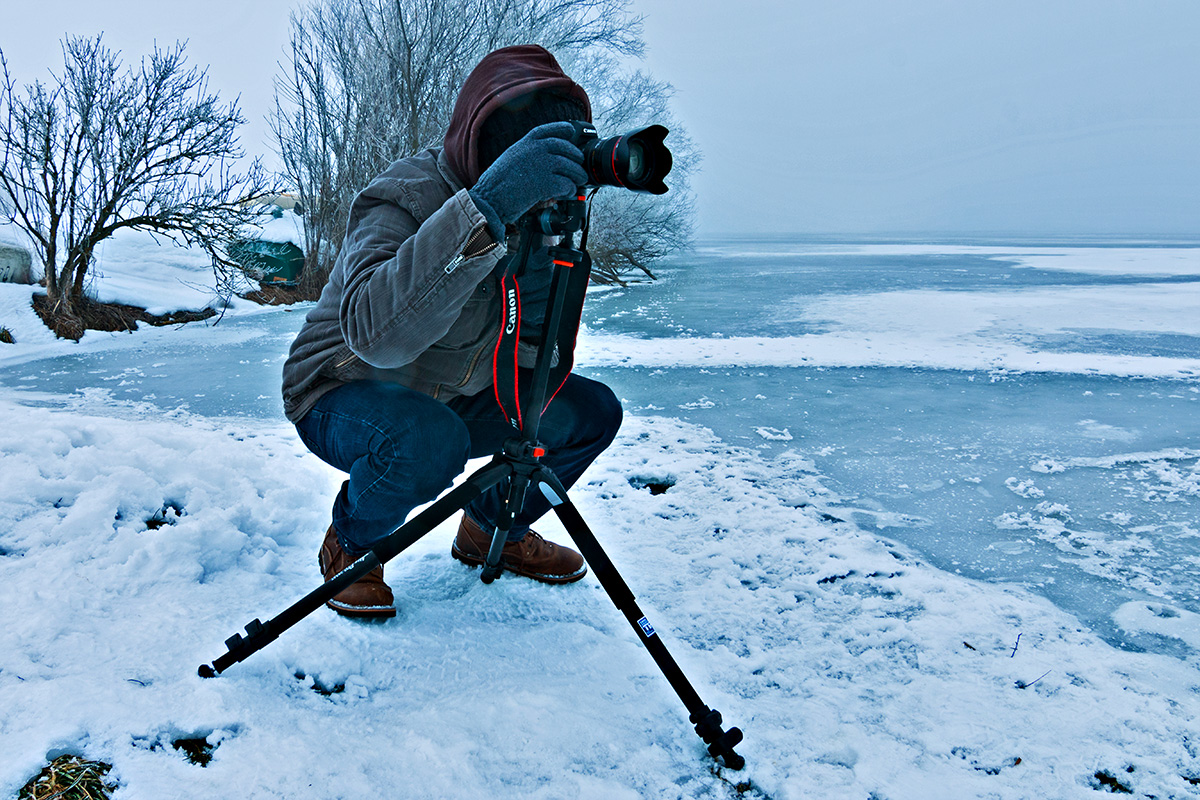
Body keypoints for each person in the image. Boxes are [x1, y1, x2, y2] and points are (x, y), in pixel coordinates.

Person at [280, 45, 623, 618]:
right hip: (340, 388)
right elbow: (376, 336)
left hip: (454, 392)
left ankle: (493, 528)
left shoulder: (534, 219)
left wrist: (547, 235)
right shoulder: (403, 197)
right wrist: (486, 207)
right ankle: (352, 544)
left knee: (588, 413)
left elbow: (537, 353)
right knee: (428, 440)